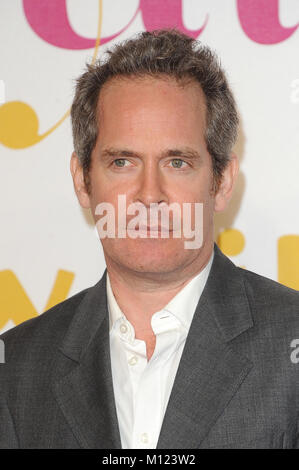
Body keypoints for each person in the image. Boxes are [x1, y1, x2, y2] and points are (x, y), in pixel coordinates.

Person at [0, 28, 298, 449]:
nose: (149, 194)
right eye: (122, 162)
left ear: (222, 181)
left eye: (177, 162)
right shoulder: (16, 368)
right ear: (83, 182)